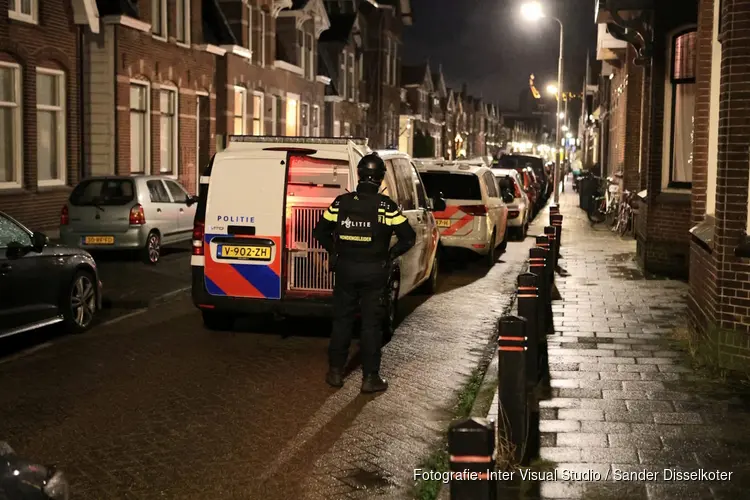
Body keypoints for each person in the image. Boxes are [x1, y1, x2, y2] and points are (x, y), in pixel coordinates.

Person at [313, 153, 416, 393]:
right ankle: (370, 378)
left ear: (359, 175)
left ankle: (335, 373)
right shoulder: (386, 206)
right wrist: (390, 256)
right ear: (381, 178)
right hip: (375, 273)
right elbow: (408, 237)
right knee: (371, 325)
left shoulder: (341, 203)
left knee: (342, 321)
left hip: (346, 270)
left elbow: (320, 232)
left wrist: (334, 251)